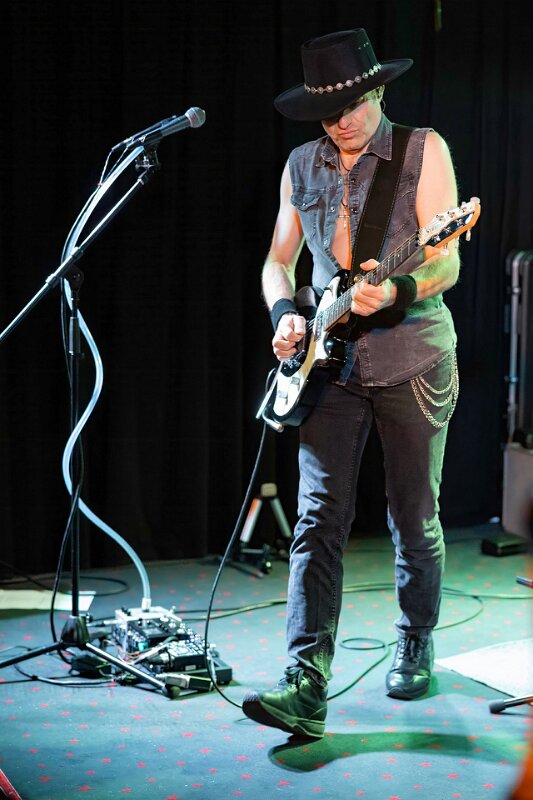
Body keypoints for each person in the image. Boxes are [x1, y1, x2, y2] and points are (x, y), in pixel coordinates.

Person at [242, 28, 461, 739]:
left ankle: (415, 636)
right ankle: (304, 678)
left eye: (353, 105)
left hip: (412, 357)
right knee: (316, 519)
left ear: (379, 91)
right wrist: (284, 313)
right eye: (327, 111)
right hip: (327, 363)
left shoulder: (422, 150)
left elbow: (446, 260)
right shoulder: (300, 164)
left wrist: (396, 290)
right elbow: (277, 261)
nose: (341, 122)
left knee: (412, 515)